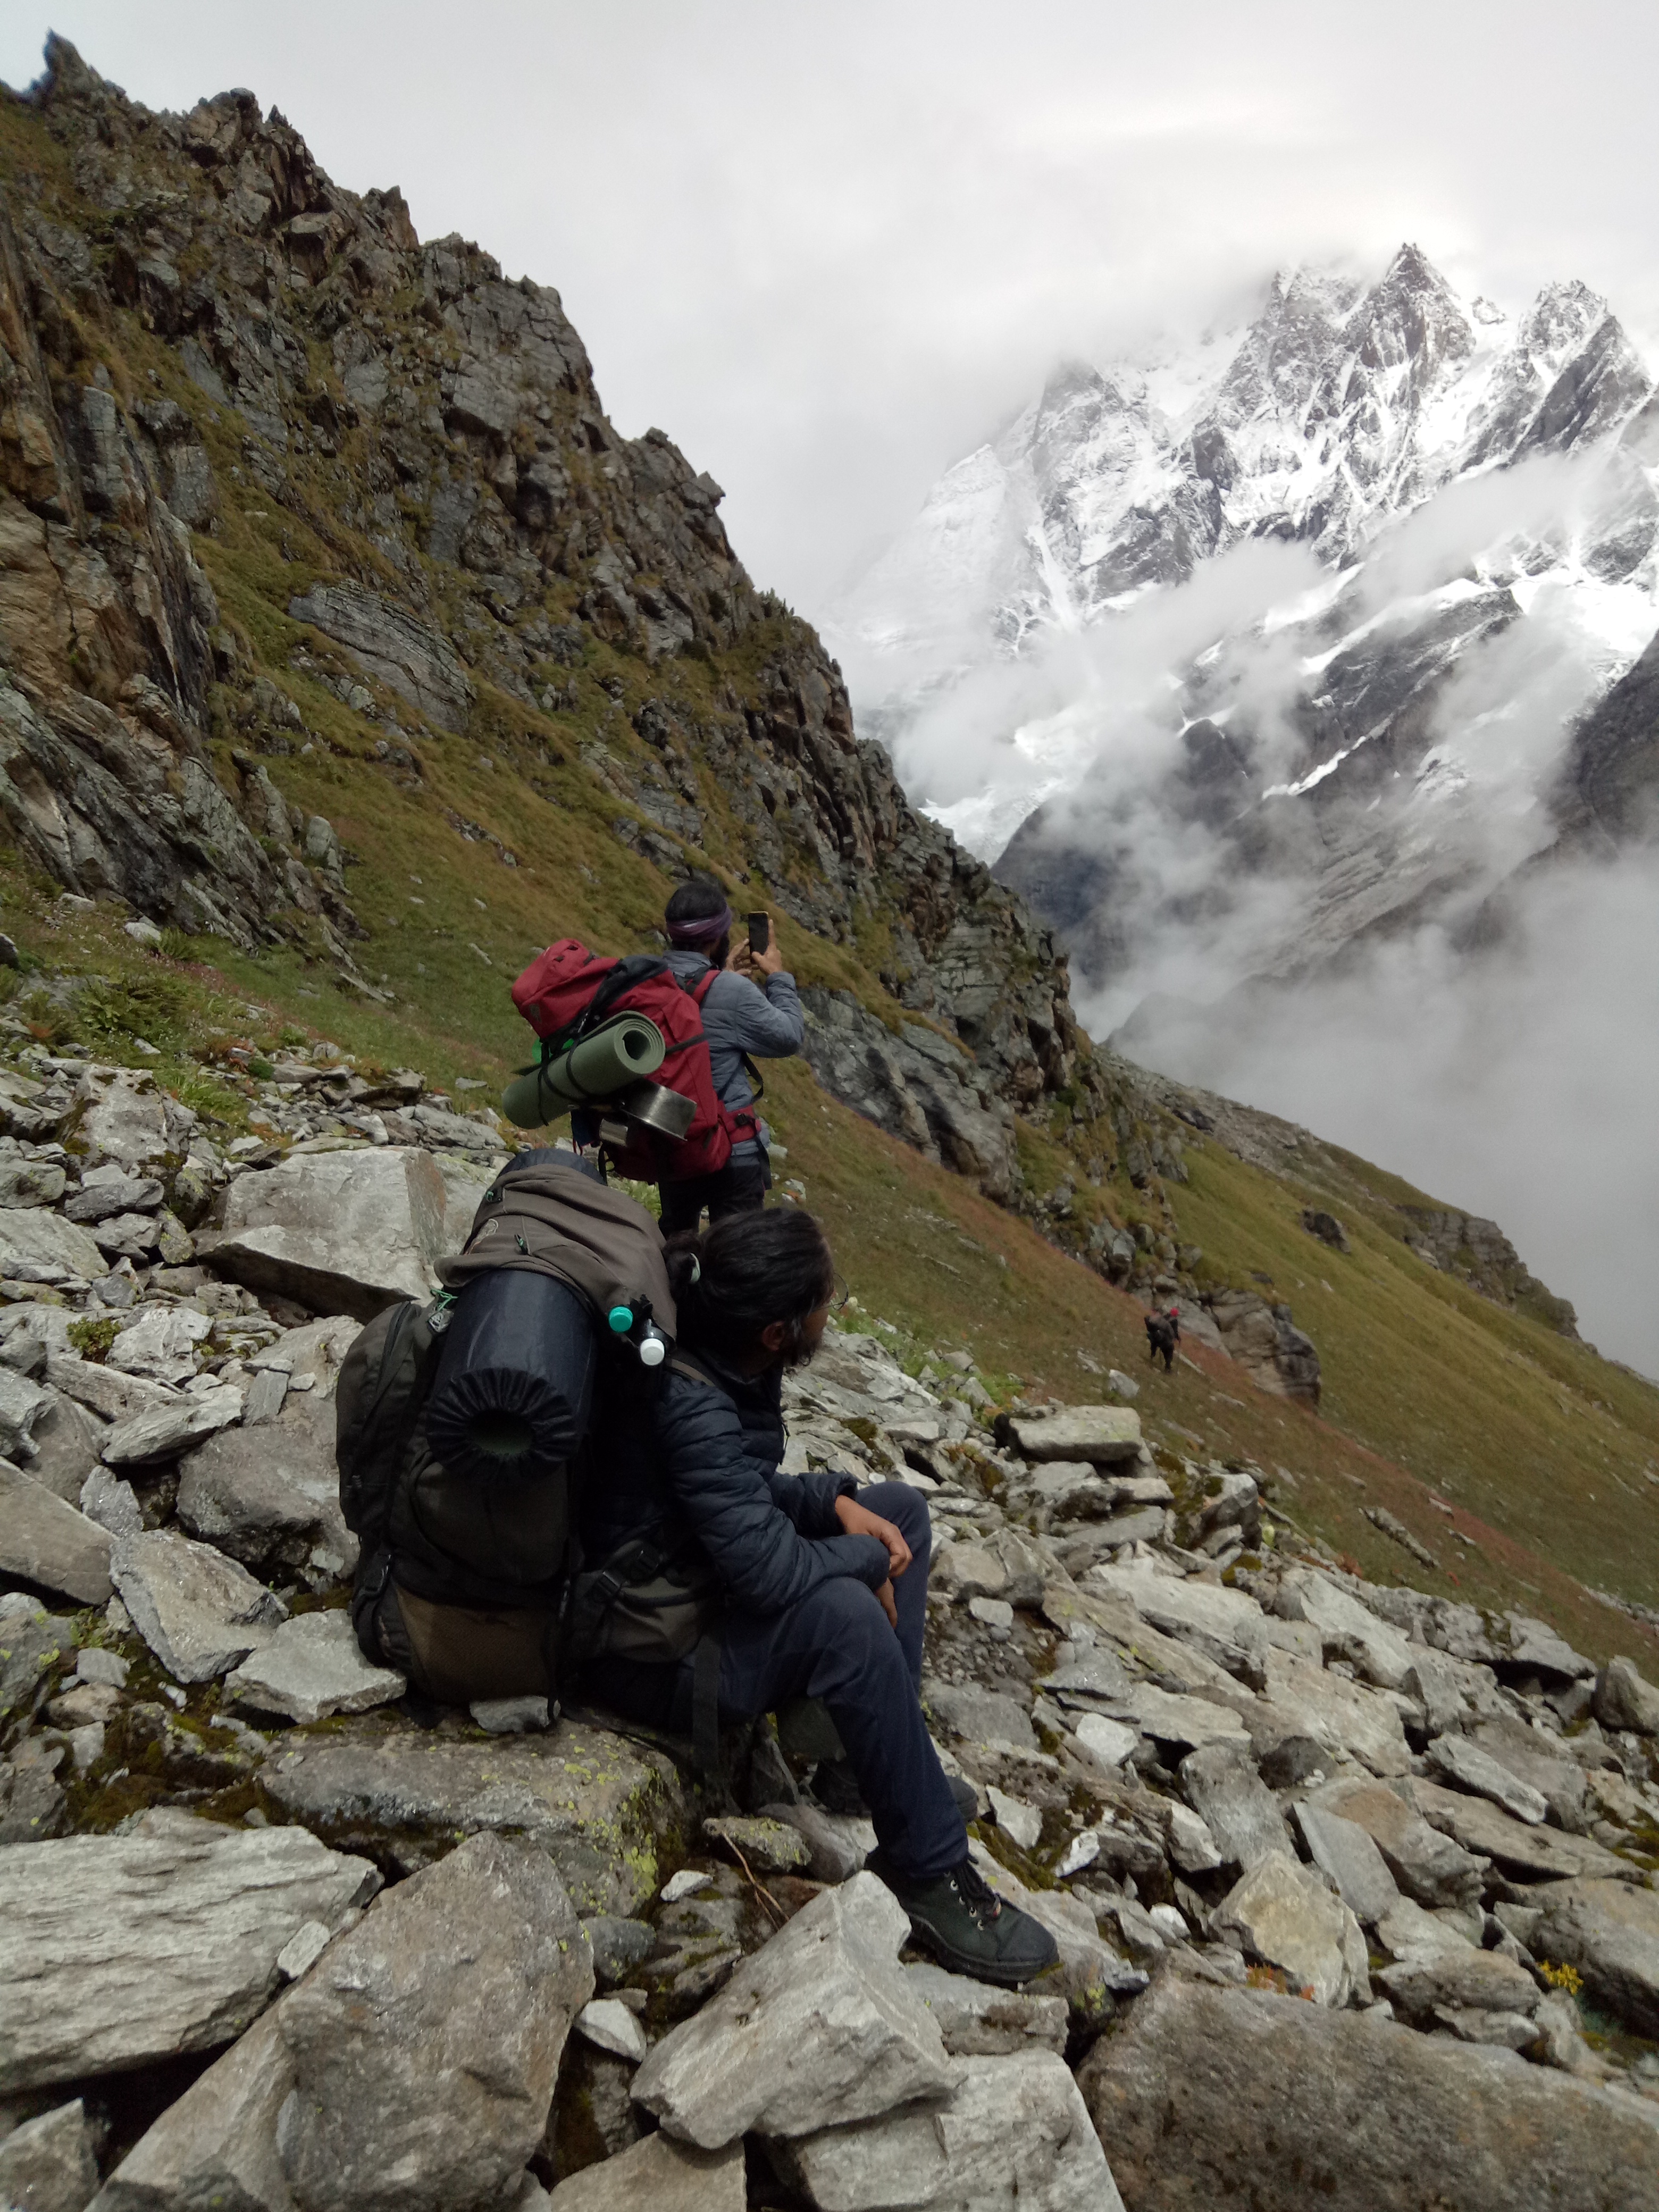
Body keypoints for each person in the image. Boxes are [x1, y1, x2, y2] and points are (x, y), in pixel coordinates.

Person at [578, 1205, 1059, 1988]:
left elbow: (725, 1492)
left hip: (677, 1585)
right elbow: (763, 1570)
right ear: (778, 1332)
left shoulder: (716, 1351)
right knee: (846, 1615)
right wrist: (864, 1562)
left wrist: (835, 1500)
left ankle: (865, 1768)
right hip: (645, 1652)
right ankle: (927, 1870)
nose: (832, 1313)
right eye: (824, 1305)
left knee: (898, 1507)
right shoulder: (691, 1399)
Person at [658, 877, 803, 1235]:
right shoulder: (733, 991)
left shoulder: (649, 977)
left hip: (670, 1139)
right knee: (737, 1258)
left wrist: (719, 975)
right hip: (731, 1151)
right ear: (716, 938)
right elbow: (788, 1037)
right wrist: (779, 977)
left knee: (676, 1247)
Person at [1145, 1305, 1178, 1371]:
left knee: (1154, 1344)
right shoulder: (1174, 1321)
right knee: (1169, 1351)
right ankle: (1168, 1367)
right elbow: (1174, 1333)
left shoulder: (1164, 1317)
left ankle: (1152, 1355)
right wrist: (1177, 1338)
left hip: (1156, 1337)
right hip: (1166, 1341)